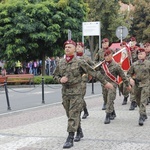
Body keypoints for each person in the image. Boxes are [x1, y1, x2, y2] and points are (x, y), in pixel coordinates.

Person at [53, 40, 114, 149]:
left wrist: (105, 83)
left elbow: (93, 72)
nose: (67, 48)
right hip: (65, 92)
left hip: (77, 91)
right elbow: (55, 76)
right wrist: (60, 79)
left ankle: (70, 137)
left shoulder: (79, 62)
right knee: (70, 114)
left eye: (69, 47)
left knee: (73, 114)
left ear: (75, 48)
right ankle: (79, 131)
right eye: (66, 47)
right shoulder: (61, 62)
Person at [97, 49, 131, 124]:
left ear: (111, 56)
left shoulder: (116, 65)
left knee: (110, 99)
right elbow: (95, 70)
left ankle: (107, 116)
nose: (107, 57)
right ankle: (113, 112)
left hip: (112, 84)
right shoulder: (102, 65)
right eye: (105, 56)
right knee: (106, 100)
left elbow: (123, 76)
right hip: (104, 84)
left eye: (108, 55)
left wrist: (127, 85)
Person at [127, 48, 150, 126]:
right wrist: (130, 79)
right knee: (138, 100)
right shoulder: (134, 64)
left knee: (143, 100)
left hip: (146, 84)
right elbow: (128, 74)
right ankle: (144, 113)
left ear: (145, 54)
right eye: (139, 54)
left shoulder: (148, 63)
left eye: (141, 54)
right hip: (137, 85)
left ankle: (141, 117)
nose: (140, 55)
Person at [76, 42, 95, 120]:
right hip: (75, 80)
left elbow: (93, 65)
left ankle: (80, 112)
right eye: (77, 47)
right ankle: (85, 110)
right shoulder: (74, 57)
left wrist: (90, 74)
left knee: (80, 96)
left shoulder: (86, 58)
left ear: (83, 48)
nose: (78, 48)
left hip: (83, 79)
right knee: (77, 96)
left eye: (79, 47)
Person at [94, 38, 113, 110]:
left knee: (111, 91)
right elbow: (96, 60)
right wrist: (97, 66)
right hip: (103, 72)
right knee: (104, 90)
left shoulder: (111, 51)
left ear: (108, 43)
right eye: (103, 43)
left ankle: (110, 105)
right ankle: (105, 102)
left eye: (105, 43)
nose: (104, 44)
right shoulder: (99, 51)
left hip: (111, 72)